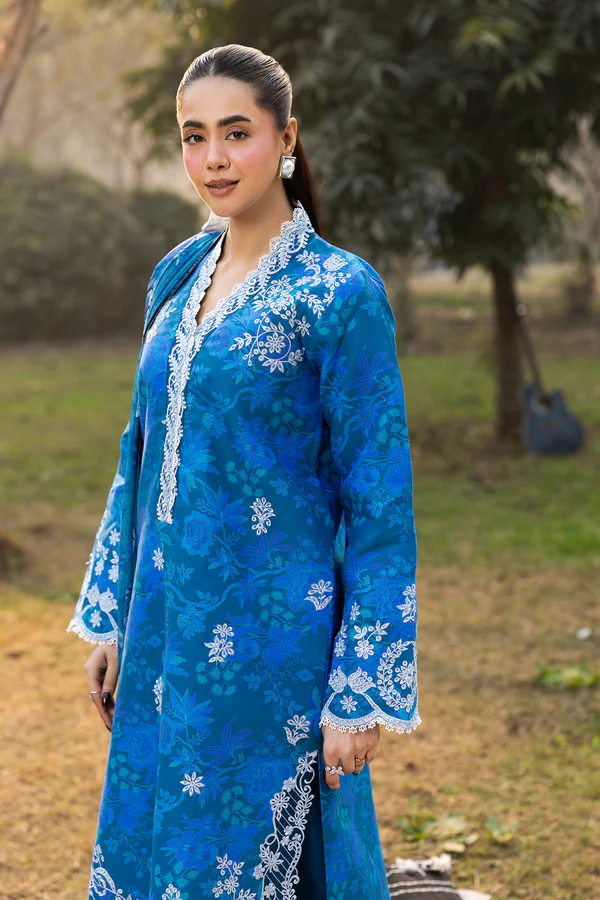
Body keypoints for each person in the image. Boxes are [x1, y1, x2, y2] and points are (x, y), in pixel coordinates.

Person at [68, 43, 420, 900]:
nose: (214, 159)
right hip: (164, 636)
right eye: (194, 137)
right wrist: (112, 619)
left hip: (274, 650)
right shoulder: (177, 274)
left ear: (286, 138)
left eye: (236, 133)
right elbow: (138, 455)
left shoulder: (338, 293)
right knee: (161, 854)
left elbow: (380, 505)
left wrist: (359, 690)